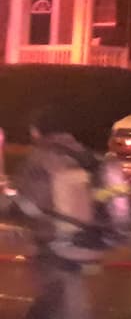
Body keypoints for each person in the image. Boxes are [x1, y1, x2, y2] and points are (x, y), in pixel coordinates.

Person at [6, 106, 99, 318]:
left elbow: (28, 203)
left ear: (38, 130)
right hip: (83, 242)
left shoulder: (42, 159)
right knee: (64, 298)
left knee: (61, 301)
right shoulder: (81, 154)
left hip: (54, 245)